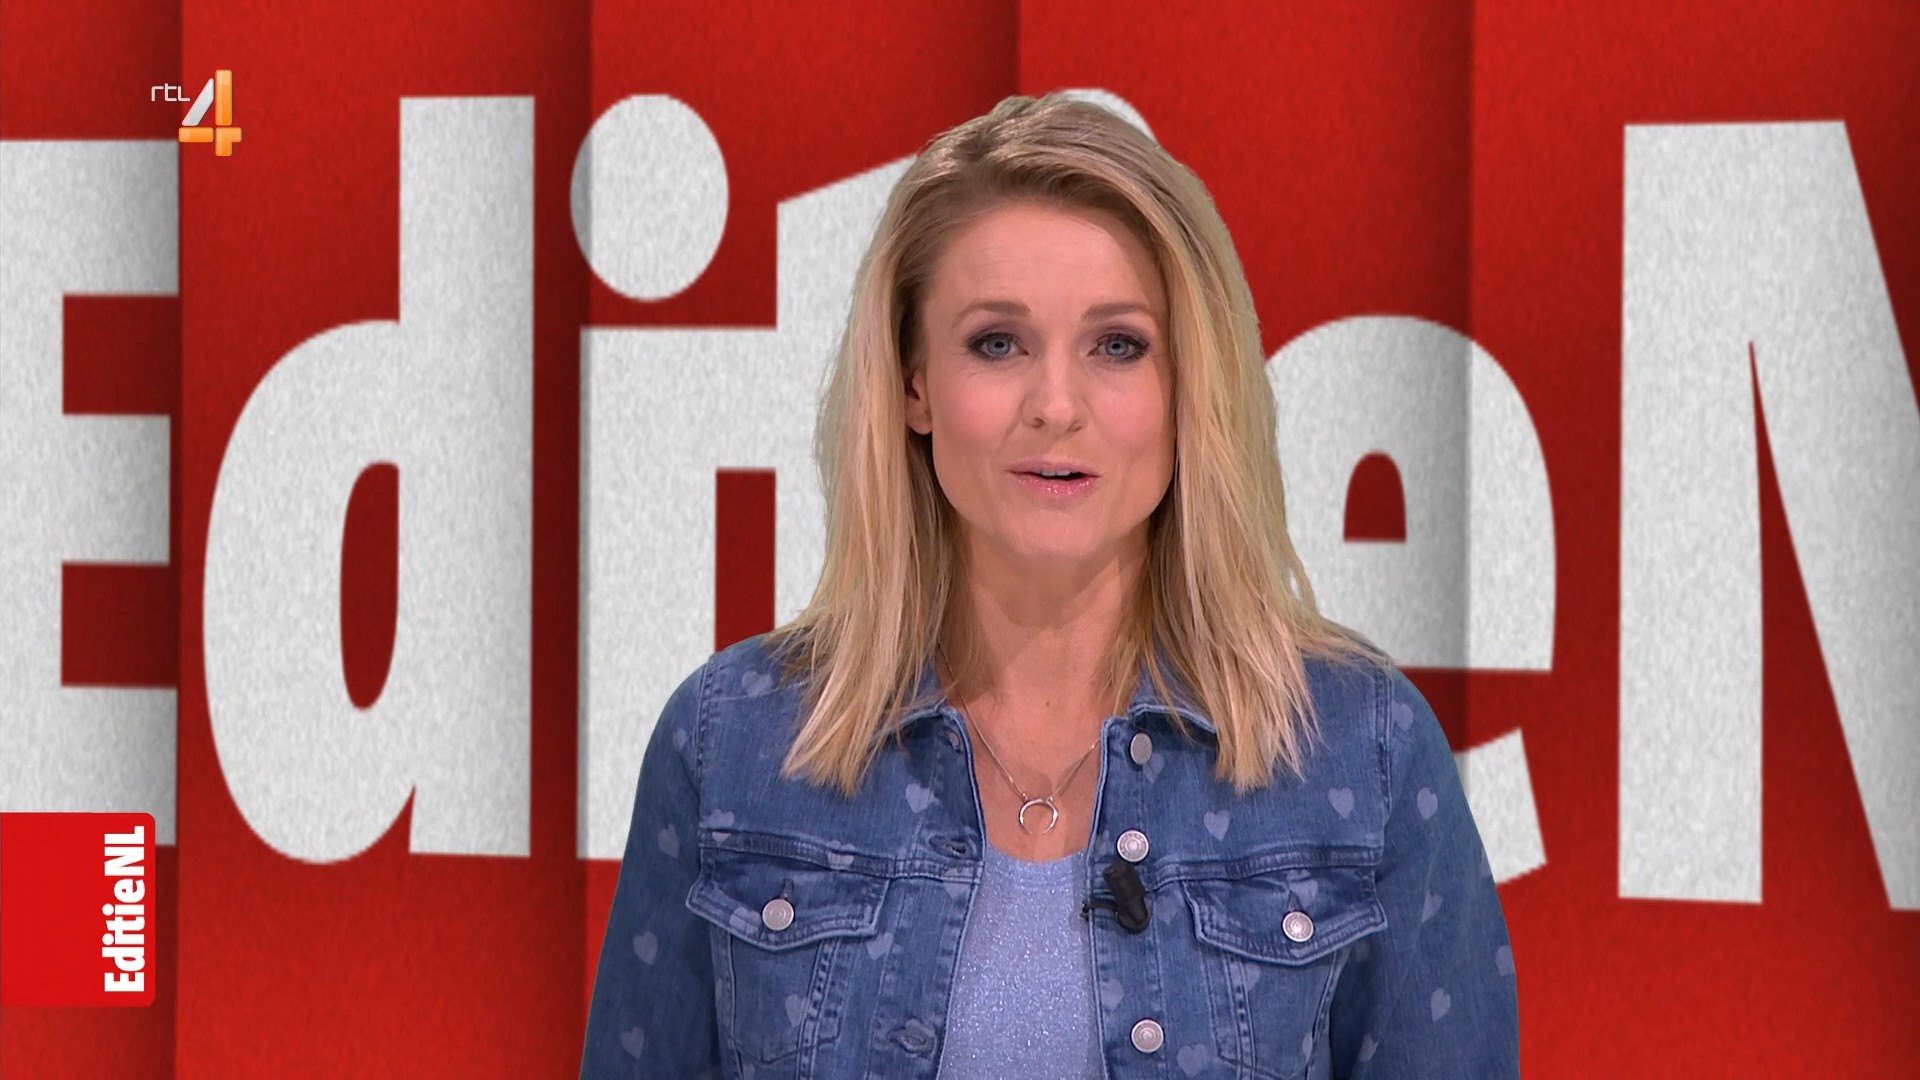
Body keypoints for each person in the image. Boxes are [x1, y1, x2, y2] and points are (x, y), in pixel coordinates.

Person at [580, 92, 1520, 1080]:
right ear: (914, 382)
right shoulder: (733, 742)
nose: (1057, 405)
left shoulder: (1361, 750)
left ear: (1186, 385)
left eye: (1118, 345)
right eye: (998, 343)